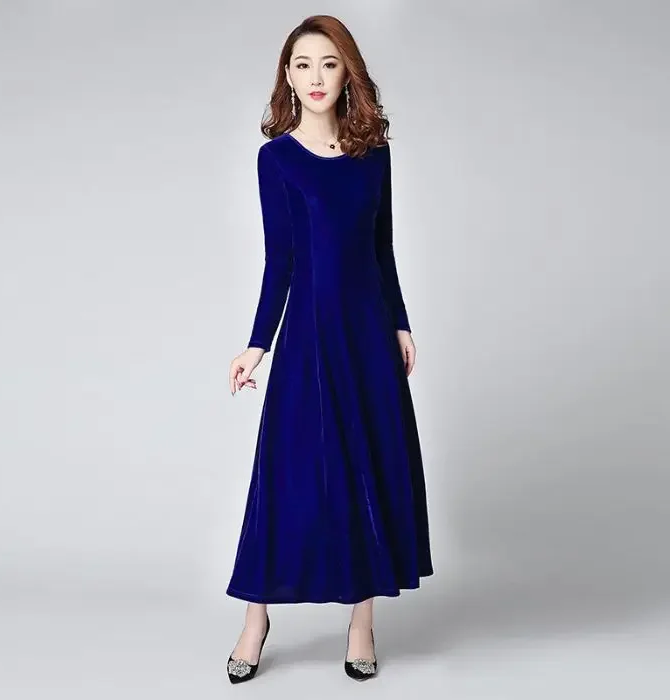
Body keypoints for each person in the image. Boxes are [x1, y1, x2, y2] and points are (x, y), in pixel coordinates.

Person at [225, 15, 433, 683]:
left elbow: (381, 249)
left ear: (348, 73)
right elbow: (280, 261)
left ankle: (362, 623)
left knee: (367, 469)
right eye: (302, 65)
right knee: (287, 474)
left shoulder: (375, 156)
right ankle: (255, 620)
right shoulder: (277, 159)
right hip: (310, 338)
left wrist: (400, 323)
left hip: (367, 334)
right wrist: (257, 344)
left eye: (329, 63)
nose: (315, 77)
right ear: (287, 77)